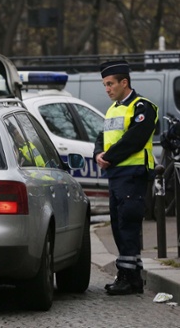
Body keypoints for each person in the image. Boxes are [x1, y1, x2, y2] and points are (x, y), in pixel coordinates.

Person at [94, 60, 158, 295]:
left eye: (110, 84)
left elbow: (135, 138)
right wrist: (98, 153)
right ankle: (132, 275)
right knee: (119, 225)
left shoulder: (143, 107)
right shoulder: (112, 109)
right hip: (116, 175)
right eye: (104, 85)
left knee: (128, 224)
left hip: (132, 174)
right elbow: (101, 137)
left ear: (124, 82)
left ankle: (127, 276)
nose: (107, 89)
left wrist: (108, 156)